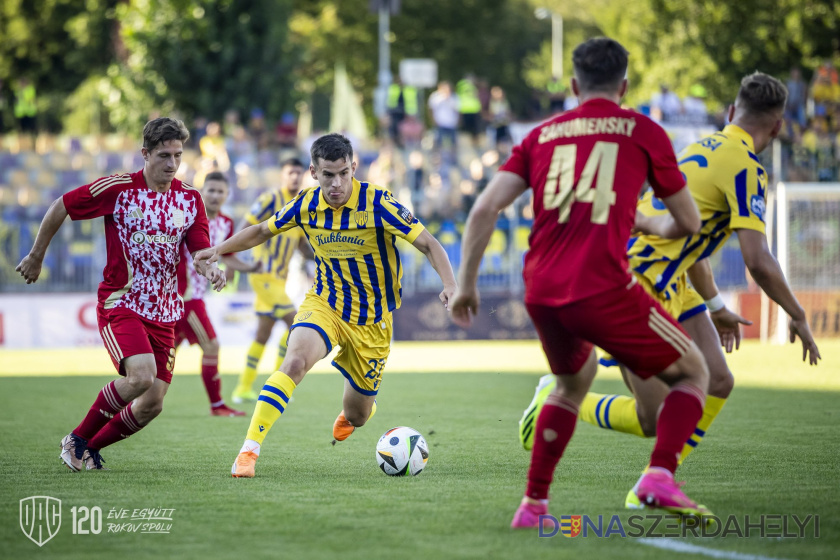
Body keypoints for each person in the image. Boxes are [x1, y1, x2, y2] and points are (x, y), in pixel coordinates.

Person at [519, 72, 822, 508]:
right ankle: (564, 396)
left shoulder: (699, 147)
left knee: (717, 380)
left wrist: (716, 304)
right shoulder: (747, 169)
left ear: (731, 113)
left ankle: (656, 480)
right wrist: (796, 312)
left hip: (673, 277)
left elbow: (690, 240)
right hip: (638, 277)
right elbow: (758, 260)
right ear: (777, 127)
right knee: (653, 418)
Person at [449, 37, 711, 527]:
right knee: (695, 374)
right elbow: (690, 222)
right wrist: (659, 224)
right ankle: (659, 475)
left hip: (543, 291)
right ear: (625, 85)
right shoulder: (643, 131)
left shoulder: (542, 134)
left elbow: (485, 207)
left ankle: (533, 507)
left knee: (573, 383)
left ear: (573, 86)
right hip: (603, 287)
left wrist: (466, 285)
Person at [194, 133, 458, 478]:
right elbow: (261, 231)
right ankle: (248, 451)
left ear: (353, 168)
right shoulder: (306, 204)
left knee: (358, 415)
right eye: (328, 175)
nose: (337, 184)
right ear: (313, 172)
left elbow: (428, 243)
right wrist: (220, 249)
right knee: (295, 361)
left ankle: (356, 411)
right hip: (326, 303)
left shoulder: (379, 202)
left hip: (373, 319)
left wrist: (451, 284)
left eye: (343, 173)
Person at [15, 117, 226, 471]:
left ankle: (89, 447)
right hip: (121, 301)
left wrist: (211, 268)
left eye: (177, 155)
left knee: (152, 404)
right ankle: (77, 439)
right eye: (163, 156)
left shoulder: (191, 199)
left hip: (165, 311)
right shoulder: (119, 189)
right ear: (144, 154)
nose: (172, 164)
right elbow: (62, 205)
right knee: (140, 376)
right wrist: (36, 256)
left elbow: (199, 251)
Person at [174, 171, 261, 417]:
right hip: (185, 296)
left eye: (219, 191)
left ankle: (137, 399)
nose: (214, 195)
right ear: (202, 192)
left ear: (226, 195)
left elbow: (228, 256)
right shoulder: (189, 218)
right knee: (211, 345)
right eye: (210, 190)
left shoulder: (226, 222)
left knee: (165, 356)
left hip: (195, 297)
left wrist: (250, 268)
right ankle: (217, 406)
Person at [231, 158, 313, 404]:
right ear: (282, 175)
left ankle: (243, 388)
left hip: (279, 281)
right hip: (263, 276)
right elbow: (245, 227)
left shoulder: (300, 208)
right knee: (296, 325)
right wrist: (232, 258)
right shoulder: (270, 200)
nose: (295, 178)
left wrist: (327, 255)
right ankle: (280, 384)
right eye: (291, 173)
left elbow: (303, 248)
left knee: (262, 335)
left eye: (299, 174)